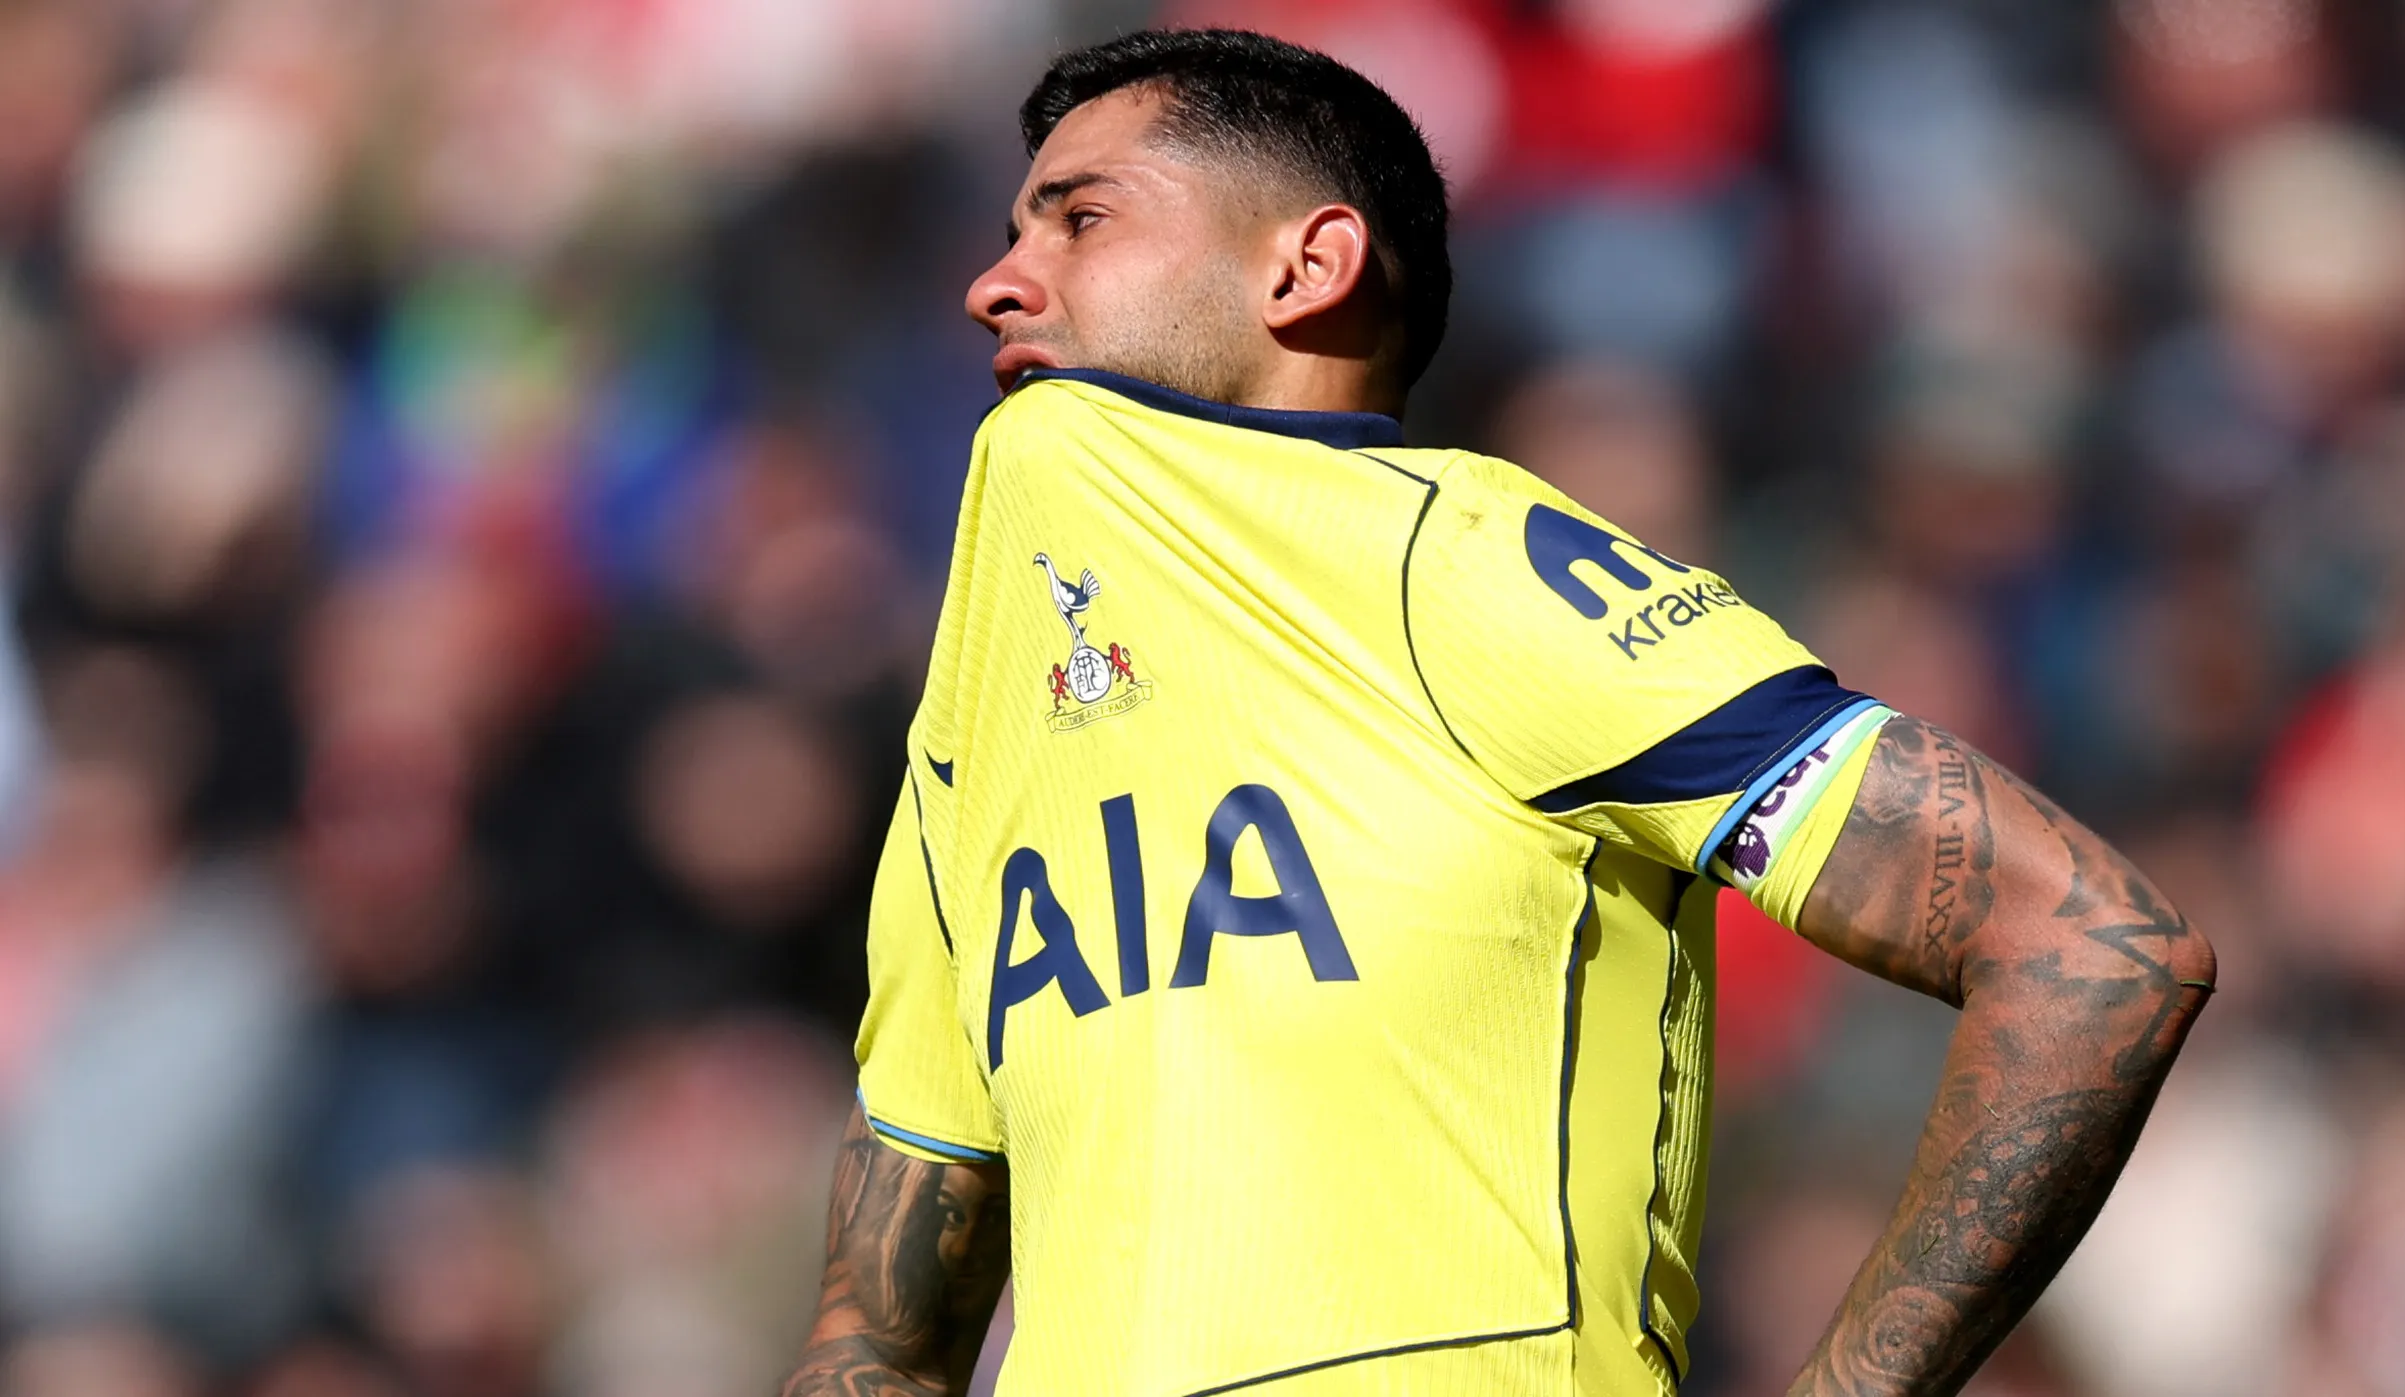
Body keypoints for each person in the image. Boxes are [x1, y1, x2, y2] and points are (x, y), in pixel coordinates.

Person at [782, 28, 2214, 1397]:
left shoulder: (1460, 567)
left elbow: (2089, 948)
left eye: (1080, 220)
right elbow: (878, 1345)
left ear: (1307, 265)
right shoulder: (972, 734)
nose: (994, 284)